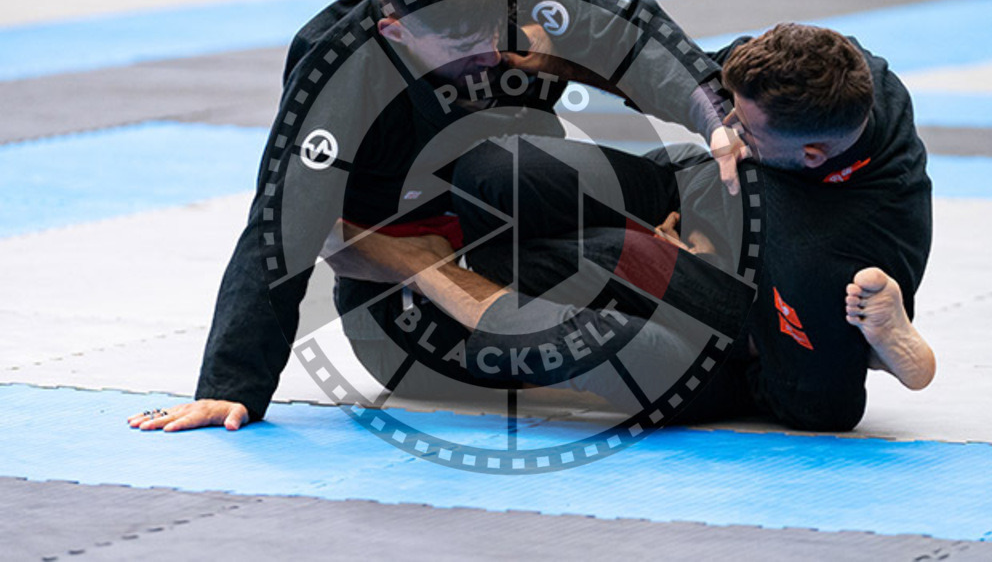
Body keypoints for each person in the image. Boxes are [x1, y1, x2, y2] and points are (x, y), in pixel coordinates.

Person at [127, 0, 745, 432]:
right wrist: (233, 380)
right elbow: (284, 221)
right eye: (457, 45)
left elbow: (636, 40)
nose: (484, 50)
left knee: (513, 170)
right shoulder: (337, 74)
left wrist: (715, 115)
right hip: (414, 298)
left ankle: (704, 275)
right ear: (396, 31)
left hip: (534, 227)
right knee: (652, 357)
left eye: (489, 26)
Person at [315, 22, 937, 432]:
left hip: (737, 327)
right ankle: (467, 272)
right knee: (498, 171)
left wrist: (418, 267)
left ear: (810, 156)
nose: (730, 132)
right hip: (686, 195)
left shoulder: (833, 248)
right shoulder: (831, 71)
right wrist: (556, 58)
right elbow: (678, 72)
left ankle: (435, 270)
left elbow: (822, 407)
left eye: (745, 131)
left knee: (598, 306)